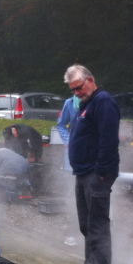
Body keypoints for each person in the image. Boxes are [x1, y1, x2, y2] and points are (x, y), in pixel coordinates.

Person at [65, 64, 120, 264]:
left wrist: (100, 172)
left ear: (90, 80)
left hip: (96, 175)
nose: (77, 93)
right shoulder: (87, 104)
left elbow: (108, 141)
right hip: (83, 173)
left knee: (97, 225)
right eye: (73, 90)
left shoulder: (103, 102)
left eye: (79, 87)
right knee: (86, 226)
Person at [56, 96, 80, 246]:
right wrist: (69, 141)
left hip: (92, 160)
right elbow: (61, 125)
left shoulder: (97, 102)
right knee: (74, 198)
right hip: (73, 160)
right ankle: (72, 232)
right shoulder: (69, 103)